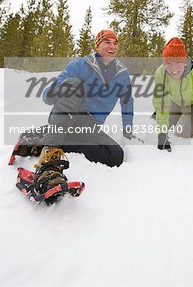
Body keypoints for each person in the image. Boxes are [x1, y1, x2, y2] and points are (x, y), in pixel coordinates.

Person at [34, 29, 134, 194]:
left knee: (115, 155)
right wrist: (55, 92)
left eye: (115, 43)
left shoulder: (122, 74)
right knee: (72, 84)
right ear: (98, 45)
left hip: (91, 125)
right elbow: (49, 94)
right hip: (69, 116)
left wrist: (128, 130)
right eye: (107, 42)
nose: (112, 46)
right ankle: (48, 165)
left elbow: (127, 102)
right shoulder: (80, 64)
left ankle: (48, 137)